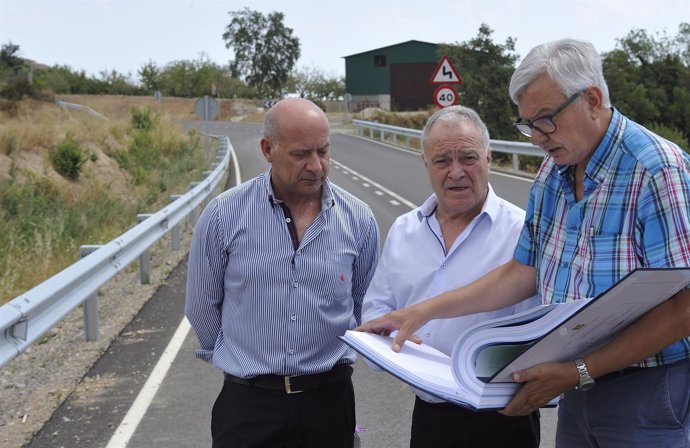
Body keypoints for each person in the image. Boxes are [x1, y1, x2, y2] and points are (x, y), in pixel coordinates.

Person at [358, 38, 690, 447]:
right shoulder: (554, 173)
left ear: (592, 99)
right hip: (576, 388)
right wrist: (421, 312)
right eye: (528, 124)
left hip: (647, 392)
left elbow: (685, 307)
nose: (536, 139)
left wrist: (579, 371)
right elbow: (522, 272)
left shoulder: (656, 172)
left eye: (545, 119)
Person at [185, 97, 380, 448]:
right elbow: (202, 306)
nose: (316, 166)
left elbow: (365, 306)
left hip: (329, 402)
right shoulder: (222, 216)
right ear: (268, 149)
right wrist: (247, 361)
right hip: (248, 405)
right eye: (301, 154)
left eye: (323, 151)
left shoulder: (359, 219)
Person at [361, 105, 540, 447]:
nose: (456, 172)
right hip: (430, 416)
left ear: (489, 158)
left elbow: (542, 327)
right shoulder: (403, 231)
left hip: (502, 419)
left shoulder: (522, 233)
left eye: (468, 157)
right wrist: (390, 341)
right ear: (425, 163)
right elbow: (376, 309)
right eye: (442, 160)